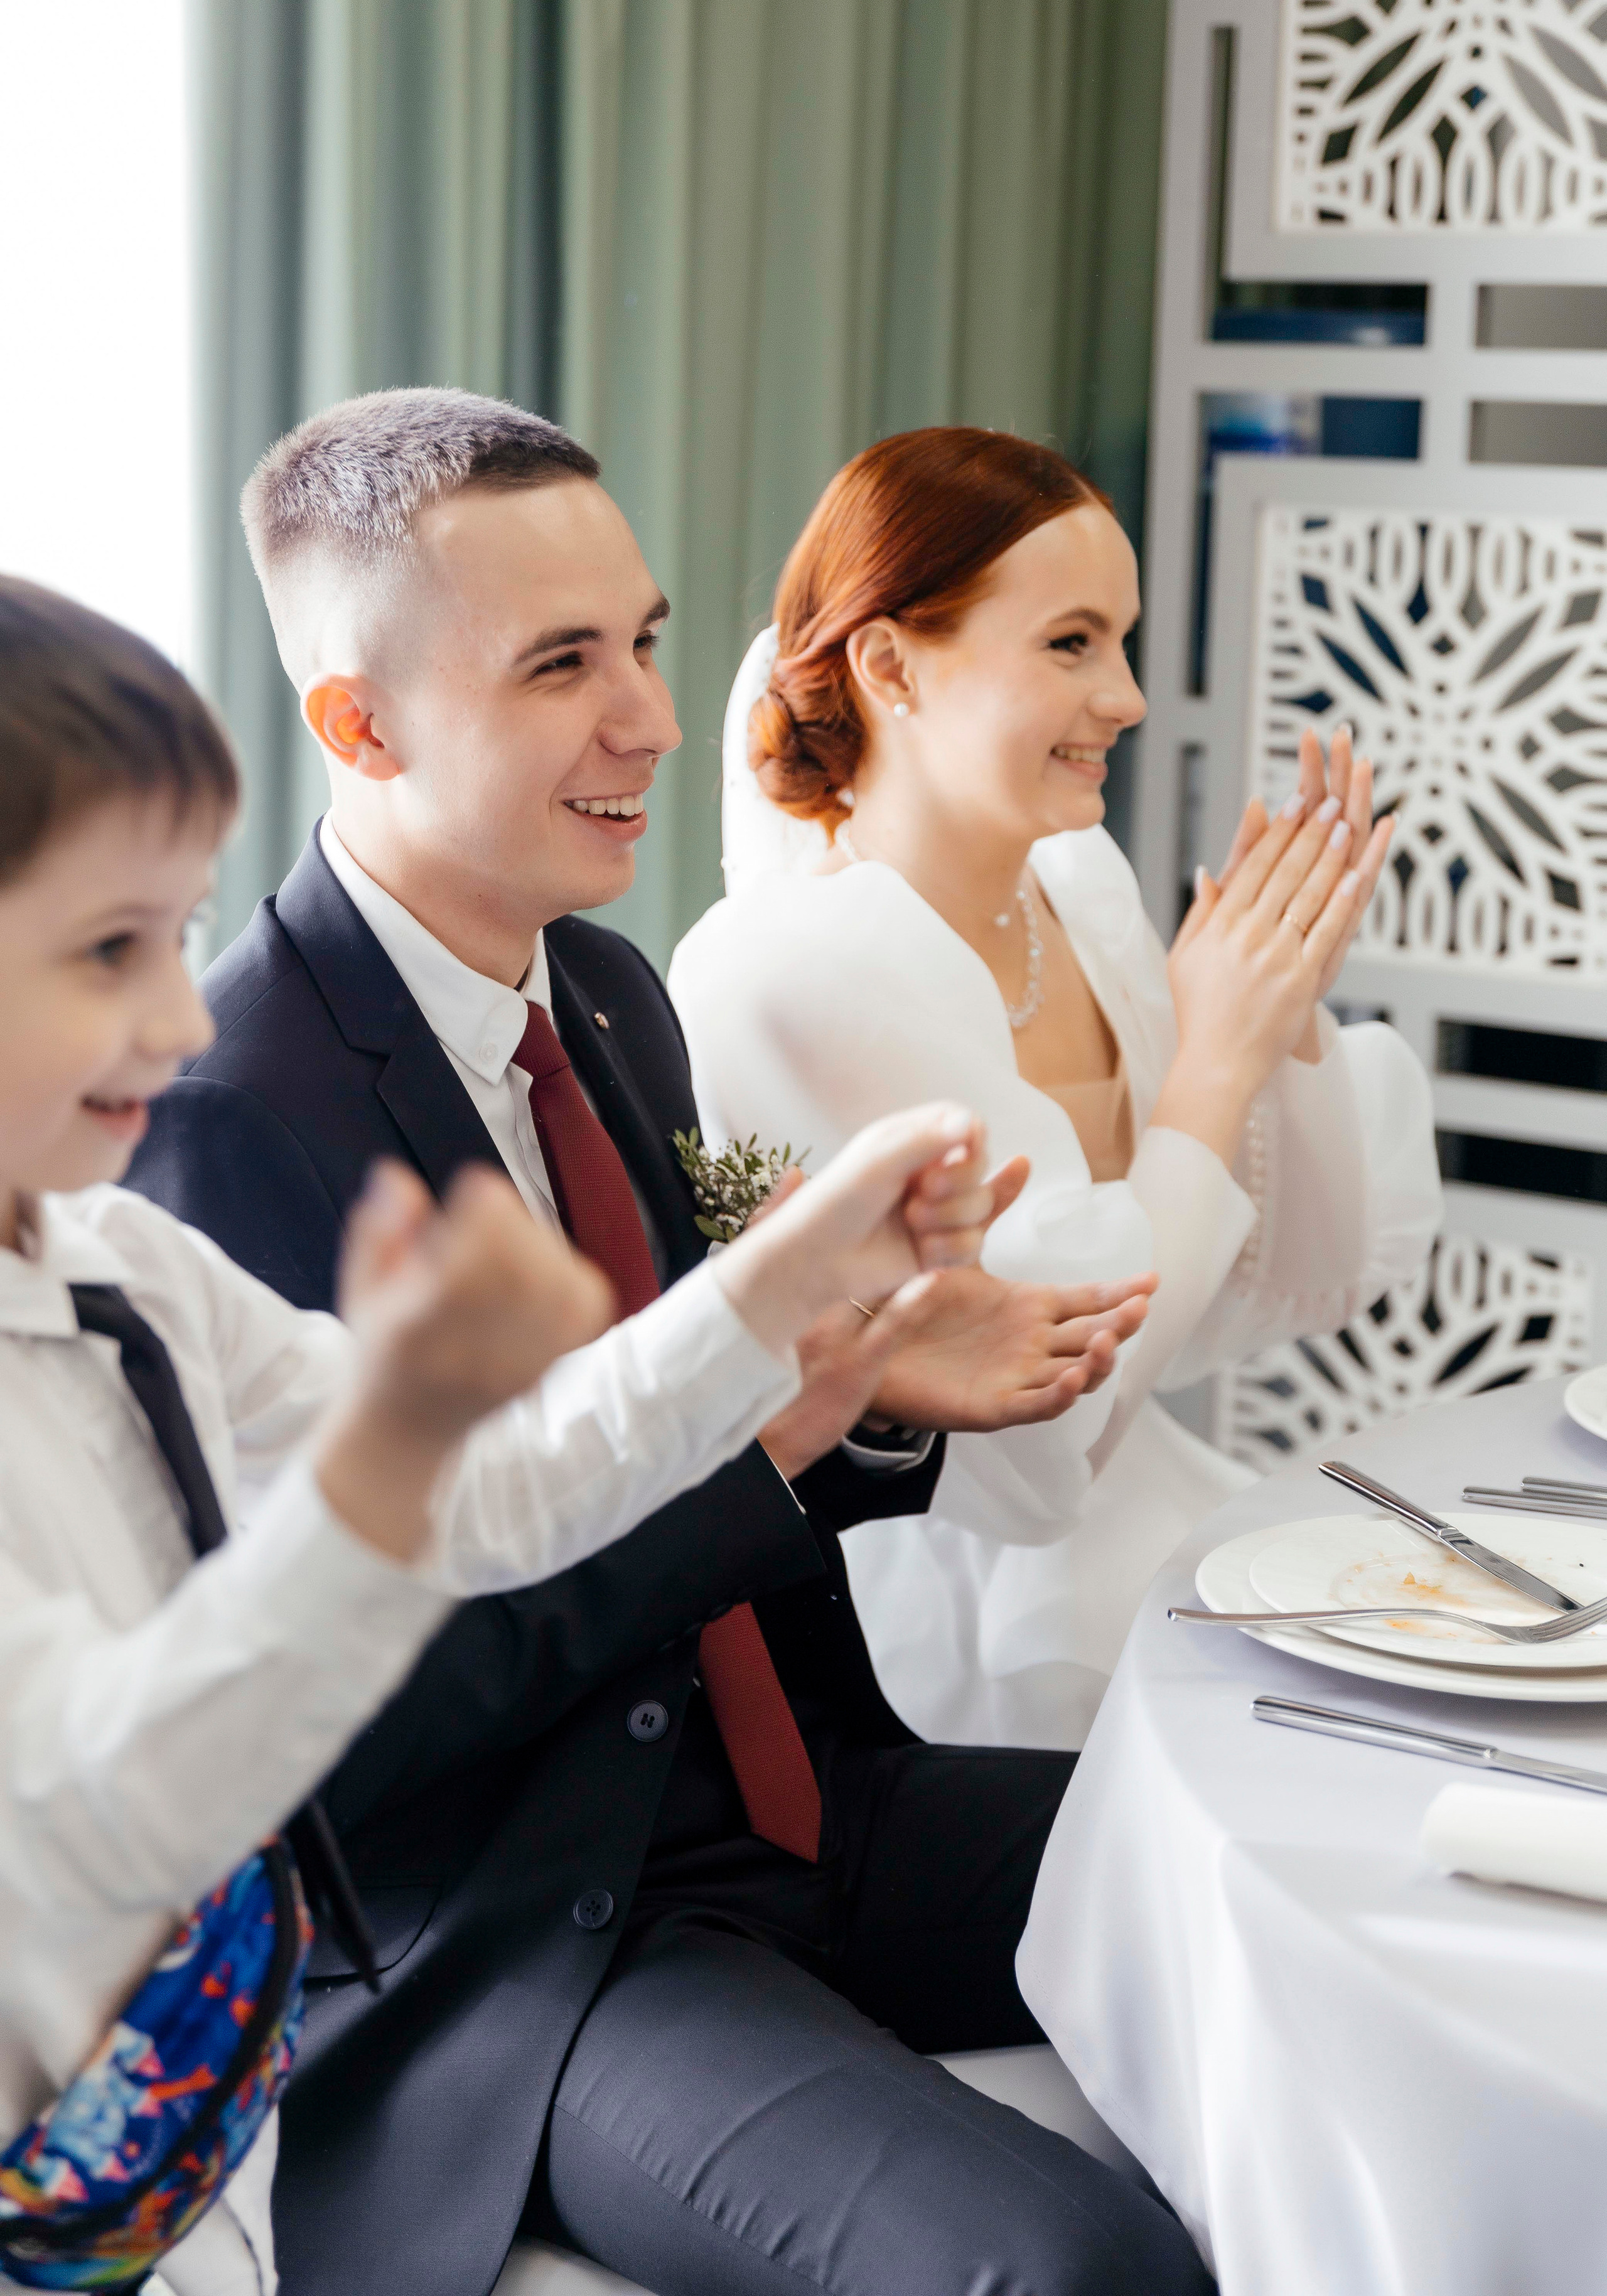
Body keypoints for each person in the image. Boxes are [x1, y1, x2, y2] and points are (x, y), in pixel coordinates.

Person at [127, 389, 1207, 2296]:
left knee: (1277, 1879)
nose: (643, 717)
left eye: (641, 643)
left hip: (807, 1805)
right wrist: (780, 1436)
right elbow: (332, 1731)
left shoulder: (615, 998)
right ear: (358, 725)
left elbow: (733, 1424)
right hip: (533, 1929)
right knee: (1071, 2266)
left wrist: (870, 1395)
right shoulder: (234, 1111)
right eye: (560, 664)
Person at [0, 576, 1033, 2296]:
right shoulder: (205, 1149)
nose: (178, 1022)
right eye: (110, 949)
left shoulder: (111, 1260)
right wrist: (388, 1458)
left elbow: (514, 1485)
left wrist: (788, 1277)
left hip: (183, 2148)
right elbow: (114, 1795)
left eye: (179, 938)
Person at [670, 426, 1444, 1749]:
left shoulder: (1070, 896)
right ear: (890, 662)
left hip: (1146, 1522)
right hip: (936, 1630)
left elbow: (1225, 1302)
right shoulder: (800, 963)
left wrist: (1272, 1010)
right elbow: (1046, 1432)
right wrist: (1212, 1062)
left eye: (1122, 641)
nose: (1129, 697)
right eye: (1072, 643)